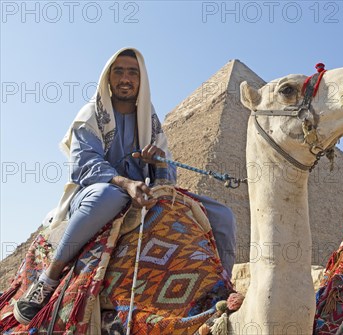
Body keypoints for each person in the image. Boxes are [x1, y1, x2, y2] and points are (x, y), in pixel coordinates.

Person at [14, 48, 237, 325]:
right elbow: (85, 164)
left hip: (142, 192)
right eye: (118, 71)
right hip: (95, 191)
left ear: (141, 80)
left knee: (222, 215)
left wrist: (155, 162)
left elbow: (167, 176)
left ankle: (221, 290)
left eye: (133, 72)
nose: (125, 78)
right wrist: (125, 182)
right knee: (109, 196)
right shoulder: (91, 115)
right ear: (108, 78)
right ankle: (49, 278)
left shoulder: (149, 121)